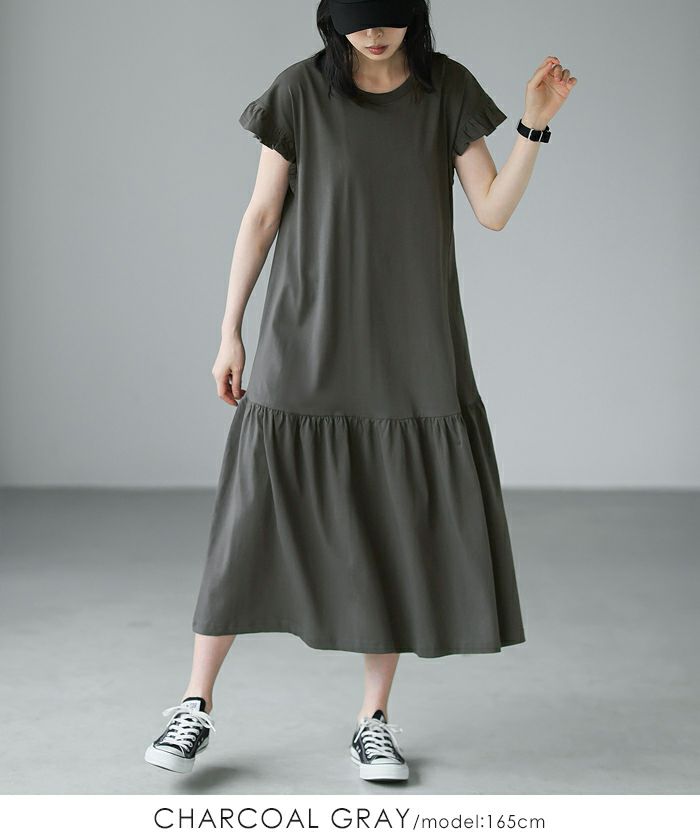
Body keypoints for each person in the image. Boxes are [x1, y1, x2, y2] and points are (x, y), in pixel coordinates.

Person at [144, 0, 577, 781]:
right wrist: (230, 330)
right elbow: (262, 214)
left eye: (388, 16)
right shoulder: (299, 91)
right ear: (331, 19)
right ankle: (193, 704)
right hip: (305, 333)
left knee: (390, 522)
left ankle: (372, 720)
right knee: (250, 520)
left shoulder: (446, 89)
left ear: (414, 13)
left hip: (411, 343)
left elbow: (492, 211)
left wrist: (533, 127)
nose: (373, 33)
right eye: (357, 18)